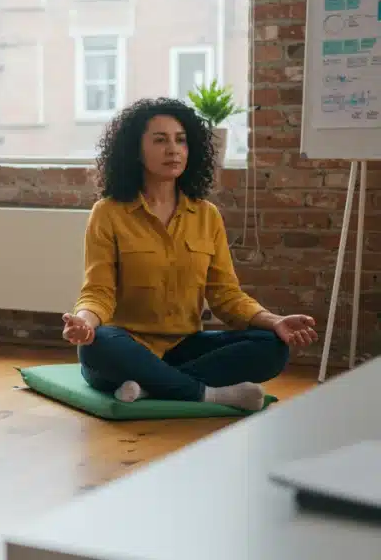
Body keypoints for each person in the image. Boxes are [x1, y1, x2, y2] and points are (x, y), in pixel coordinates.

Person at [62, 97, 318, 411]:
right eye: (160, 140)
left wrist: (273, 320)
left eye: (180, 140)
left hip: (184, 346)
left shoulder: (207, 215)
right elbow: (98, 290)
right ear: (135, 150)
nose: (173, 149)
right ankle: (208, 394)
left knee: (272, 346)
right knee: (98, 345)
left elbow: (226, 295)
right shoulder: (108, 212)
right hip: (125, 347)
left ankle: (151, 386)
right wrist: (85, 323)